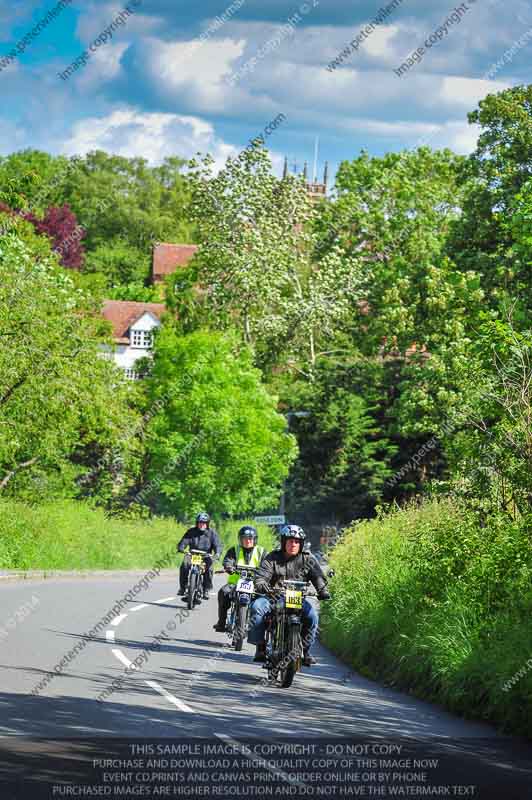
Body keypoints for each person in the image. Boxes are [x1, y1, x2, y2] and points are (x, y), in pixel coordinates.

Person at [248, 524, 331, 667]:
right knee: (257, 607)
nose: (294, 544)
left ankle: (306, 651)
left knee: (312, 616)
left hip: (297, 598)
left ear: (301, 544)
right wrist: (262, 584)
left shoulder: (307, 559)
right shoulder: (272, 557)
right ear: (284, 542)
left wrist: (322, 590)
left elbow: (317, 577)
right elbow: (261, 576)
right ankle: (260, 647)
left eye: (297, 541)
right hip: (273, 597)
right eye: (290, 541)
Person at [213, 525, 266, 632]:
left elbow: (268, 565)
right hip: (235, 583)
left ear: (255, 539)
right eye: (244, 538)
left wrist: (263, 574)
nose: (247, 541)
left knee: (267, 600)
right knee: (223, 592)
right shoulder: (234, 550)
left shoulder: (262, 552)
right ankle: (221, 622)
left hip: (256, 584)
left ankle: (263, 630)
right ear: (240, 539)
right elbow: (228, 560)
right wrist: (229, 567)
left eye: (250, 538)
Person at [177, 512, 222, 599]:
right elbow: (184, 541)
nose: (202, 525)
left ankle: (206, 589)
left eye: (204, 523)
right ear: (197, 523)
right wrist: (181, 547)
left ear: (207, 524)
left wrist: (217, 553)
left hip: (206, 556)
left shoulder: (212, 533)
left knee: (209, 569)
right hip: (192, 554)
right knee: (184, 565)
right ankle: (183, 587)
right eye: (200, 522)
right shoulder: (191, 531)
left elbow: (218, 545)